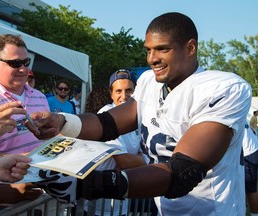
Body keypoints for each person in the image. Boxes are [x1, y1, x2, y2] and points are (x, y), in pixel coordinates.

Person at [26, 12, 251, 215]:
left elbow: (183, 172)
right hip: (166, 208)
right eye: (149, 50)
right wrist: (62, 122)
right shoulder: (149, 82)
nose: (152, 58)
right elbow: (107, 123)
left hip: (212, 211)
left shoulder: (224, 88)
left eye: (163, 48)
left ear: (190, 48)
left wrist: (88, 185)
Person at [0, 34, 50, 159]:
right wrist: (26, 158)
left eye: (26, 62)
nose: (23, 70)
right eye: (16, 63)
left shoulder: (39, 96)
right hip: (12, 178)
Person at [84, 69, 148, 216]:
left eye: (129, 90)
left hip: (121, 201)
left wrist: (140, 159)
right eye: (118, 91)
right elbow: (124, 161)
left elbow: (138, 155)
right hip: (100, 205)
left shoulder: (138, 117)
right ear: (111, 93)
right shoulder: (107, 115)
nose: (124, 96)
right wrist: (151, 159)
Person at [243, 124, 258, 216]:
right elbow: (252, 130)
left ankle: (255, 214)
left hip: (249, 153)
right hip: (255, 147)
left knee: (250, 190)